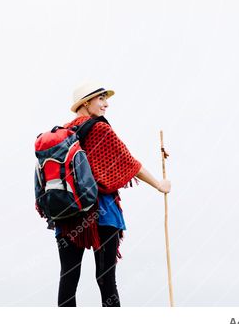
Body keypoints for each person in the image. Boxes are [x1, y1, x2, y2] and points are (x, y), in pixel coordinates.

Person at [52, 81, 171, 307]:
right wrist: (159, 184)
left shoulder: (63, 133)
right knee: (106, 279)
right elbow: (129, 163)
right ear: (86, 102)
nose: (106, 104)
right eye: (101, 99)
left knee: (68, 276)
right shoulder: (99, 128)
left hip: (67, 214)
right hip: (102, 213)